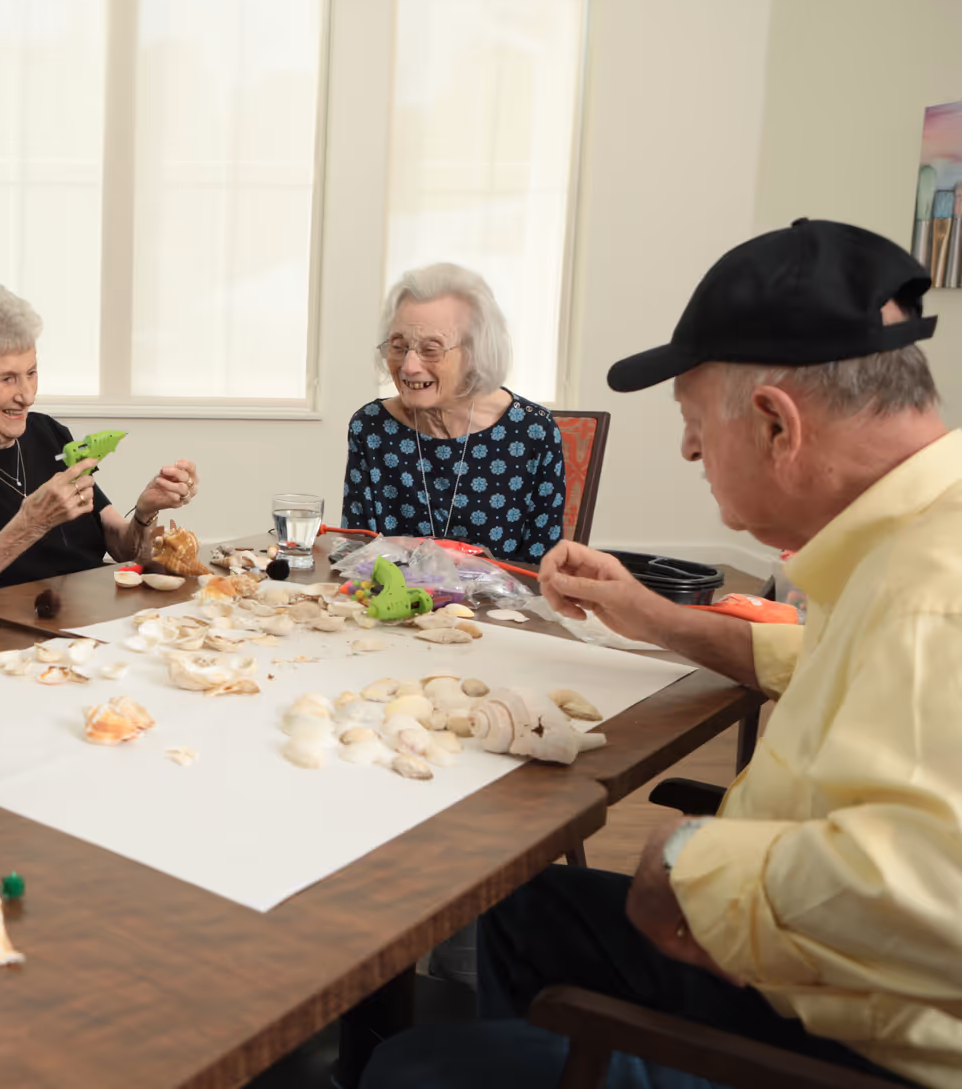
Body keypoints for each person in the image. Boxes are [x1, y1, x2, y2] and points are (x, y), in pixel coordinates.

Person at [366, 219, 954, 1089]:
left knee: (410, 1066)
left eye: (690, 422)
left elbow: (928, 894)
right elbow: (812, 662)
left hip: (846, 1042)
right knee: (528, 911)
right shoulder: (902, 541)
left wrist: (686, 859)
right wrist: (650, 617)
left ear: (774, 425)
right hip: (821, 973)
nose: (687, 450)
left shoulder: (932, 591)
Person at [0, 283, 198, 617]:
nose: (27, 396)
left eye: (31, 373)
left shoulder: (48, 432)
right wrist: (29, 525)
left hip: (92, 610)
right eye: (7, 379)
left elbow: (122, 546)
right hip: (11, 627)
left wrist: (143, 512)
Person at [342, 264, 566, 562]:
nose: (409, 367)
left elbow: (542, 567)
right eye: (399, 347)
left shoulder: (531, 431)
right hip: (390, 603)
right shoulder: (371, 426)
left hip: (501, 608)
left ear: (476, 354)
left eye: (431, 349)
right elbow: (357, 552)